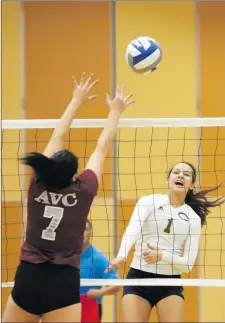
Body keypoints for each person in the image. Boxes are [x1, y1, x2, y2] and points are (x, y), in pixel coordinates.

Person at [2, 73, 134, 323]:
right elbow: (102, 146)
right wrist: (115, 111)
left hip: (29, 275)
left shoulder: (37, 184)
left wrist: (76, 100)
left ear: (48, 167)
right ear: (75, 174)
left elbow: (57, 136)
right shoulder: (83, 191)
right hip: (64, 280)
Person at [107, 161, 225, 323]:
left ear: (191, 185)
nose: (181, 175)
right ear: (168, 179)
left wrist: (162, 255)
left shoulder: (193, 218)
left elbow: (187, 265)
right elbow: (132, 230)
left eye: (186, 174)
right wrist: (122, 254)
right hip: (138, 279)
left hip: (170, 282)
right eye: (176, 172)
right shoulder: (148, 202)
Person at [80, 219, 120, 322]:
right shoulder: (66, 256)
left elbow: (117, 285)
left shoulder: (98, 259)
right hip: (67, 307)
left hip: (89, 308)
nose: (81, 233)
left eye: (85, 229)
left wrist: (100, 292)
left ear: (90, 232)